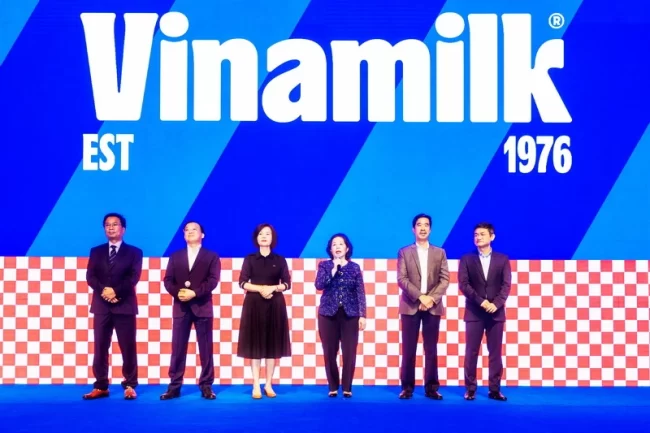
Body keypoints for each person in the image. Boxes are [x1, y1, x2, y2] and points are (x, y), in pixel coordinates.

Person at [83, 213, 143, 400]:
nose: (111, 227)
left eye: (115, 224)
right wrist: (104, 291)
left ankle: (130, 385)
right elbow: (90, 277)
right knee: (100, 347)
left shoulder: (135, 252)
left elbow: (133, 278)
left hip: (124, 305)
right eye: (107, 225)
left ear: (123, 229)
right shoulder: (96, 251)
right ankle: (101, 385)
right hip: (101, 306)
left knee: (128, 346)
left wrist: (115, 292)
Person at [161, 222, 221, 400]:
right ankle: (174, 386)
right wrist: (179, 293)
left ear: (202, 234)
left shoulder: (211, 256)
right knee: (178, 348)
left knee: (206, 349)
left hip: (202, 307)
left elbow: (213, 280)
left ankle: (206, 385)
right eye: (186, 230)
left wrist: (194, 293)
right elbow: (168, 280)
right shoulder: (175, 256)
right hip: (181, 307)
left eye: (194, 229)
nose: (190, 232)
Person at [396, 213, 449, 400]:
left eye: (426, 225)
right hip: (410, 305)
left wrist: (430, 299)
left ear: (431, 229)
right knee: (409, 349)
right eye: (419, 225)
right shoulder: (404, 252)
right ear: (413, 229)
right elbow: (402, 279)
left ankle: (432, 388)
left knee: (431, 349)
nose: (423, 228)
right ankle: (407, 388)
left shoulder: (440, 252)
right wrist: (420, 297)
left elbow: (445, 279)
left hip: (433, 306)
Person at [237, 223, 291, 399]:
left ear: (272, 238)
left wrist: (273, 288)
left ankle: (268, 384)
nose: (264, 236)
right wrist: (261, 289)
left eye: (267, 234)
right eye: (261, 234)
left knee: (271, 345)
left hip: (275, 304)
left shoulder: (280, 260)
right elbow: (242, 283)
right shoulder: (250, 259)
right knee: (255, 345)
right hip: (254, 304)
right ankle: (255, 384)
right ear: (256, 238)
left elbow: (287, 284)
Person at [458, 222, 511, 402]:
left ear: (492, 237)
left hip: (496, 313)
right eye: (475, 235)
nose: (478, 237)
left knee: (495, 353)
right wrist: (481, 302)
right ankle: (470, 389)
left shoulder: (502, 259)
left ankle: (494, 389)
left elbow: (506, 285)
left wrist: (496, 304)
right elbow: (464, 285)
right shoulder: (467, 259)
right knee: (471, 352)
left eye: (482, 234)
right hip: (474, 311)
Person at [315, 233, 367, 398]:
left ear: (347, 248)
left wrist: (362, 315)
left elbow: (360, 292)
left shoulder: (354, 268)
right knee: (329, 352)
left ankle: (347, 387)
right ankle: (332, 386)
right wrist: (333, 270)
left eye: (341, 244)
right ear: (330, 249)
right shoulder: (324, 266)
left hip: (350, 315)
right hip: (327, 315)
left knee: (349, 352)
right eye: (334, 244)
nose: (337, 247)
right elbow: (319, 285)